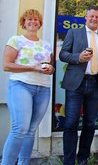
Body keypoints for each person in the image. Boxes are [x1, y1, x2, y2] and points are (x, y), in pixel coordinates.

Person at [59, 6, 98, 165]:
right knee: (71, 123)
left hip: (95, 83)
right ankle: (69, 161)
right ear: (85, 17)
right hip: (76, 84)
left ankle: (83, 158)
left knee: (90, 123)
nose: (94, 19)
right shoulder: (74, 33)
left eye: (97, 17)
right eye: (91, 16)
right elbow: (63, 54)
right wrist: (79, 57)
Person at [2, 9, 55, 165]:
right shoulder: (16, 40)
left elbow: (50, 67)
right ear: (23, 22)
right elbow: (6, 65)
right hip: (21, 85)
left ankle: (24, 163)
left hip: (43, 88)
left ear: (40, 23)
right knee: (20, 129)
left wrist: (50, 69)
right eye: (29, 19)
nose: (33, 22)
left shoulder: (46, 44)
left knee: (31, 131)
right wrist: (33, 68)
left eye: (36, 19)